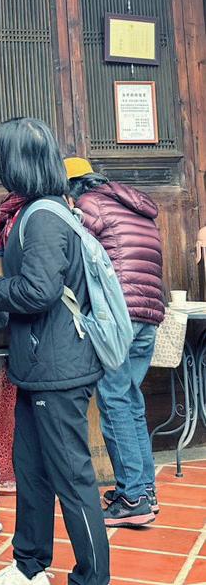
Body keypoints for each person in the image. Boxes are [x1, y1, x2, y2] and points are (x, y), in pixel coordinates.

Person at [0, 119, 119, 585]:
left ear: (15, 162)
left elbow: (38, 292)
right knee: (33, 473)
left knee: (71, 476)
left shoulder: (43, 218)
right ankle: (29, 567)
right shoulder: (40, 210)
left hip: (59, 368)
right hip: (41, 365)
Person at [66, 156, 165, 527]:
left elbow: (72, 252)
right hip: (149, 314)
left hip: (120, 315)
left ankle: (133, 497)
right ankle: (145, 489)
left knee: (114, 401)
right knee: (131, 400)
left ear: (73, 186)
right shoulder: (135, 205)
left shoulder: (88, 205)